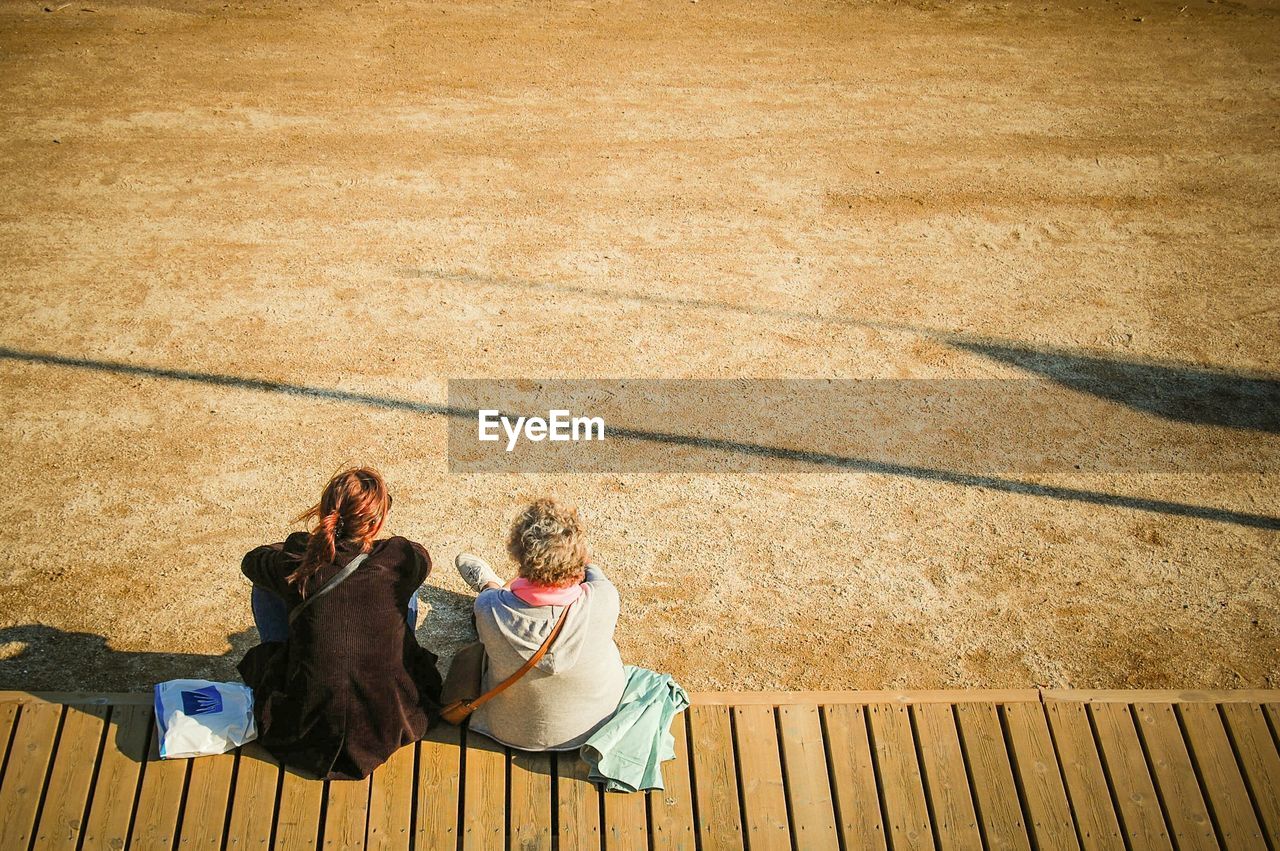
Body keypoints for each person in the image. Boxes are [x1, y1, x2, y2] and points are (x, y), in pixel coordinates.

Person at [237, 467, 442, 780]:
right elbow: (422, 557)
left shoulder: (297, 559)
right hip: (387, 720)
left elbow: (252, 561)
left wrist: (306, 549)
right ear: (379, 519)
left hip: (305, 724)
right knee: (405, 592)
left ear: (324, 513)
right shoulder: (398, 558)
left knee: (268, 586)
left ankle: (281, 649)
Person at [455, 498, 627, 751]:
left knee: (489, 600)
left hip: (511, 728)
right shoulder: (604, 597)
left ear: (518, 557)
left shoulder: (489, 609)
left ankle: (489, 584)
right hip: (595, 723)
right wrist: (573, 561)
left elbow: (488, 612)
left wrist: (498, 591)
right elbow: (594, 573)